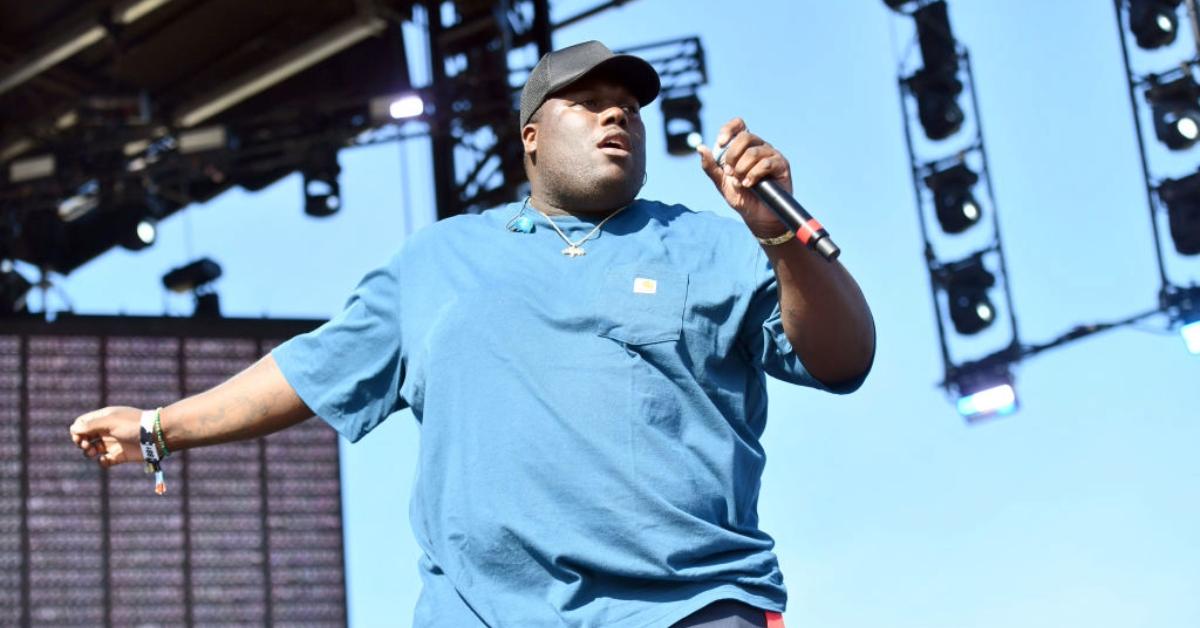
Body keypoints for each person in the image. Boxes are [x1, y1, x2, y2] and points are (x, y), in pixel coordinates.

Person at [69, 40, 875, 627]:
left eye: (627, 108)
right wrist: (156, 426)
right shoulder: (439, 260)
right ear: (530, 135)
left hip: (690, 608)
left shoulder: (709, 242)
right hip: (481, 615)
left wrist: (781, 235)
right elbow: (308, 370)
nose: (616, 116)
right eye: (589, 104)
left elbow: (845, 360)